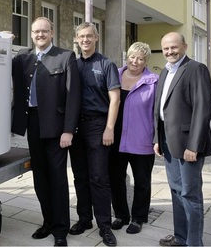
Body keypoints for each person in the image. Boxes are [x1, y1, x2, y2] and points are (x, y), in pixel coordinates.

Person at [11, 17, 81, 247]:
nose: (39, 35)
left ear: (52, 33)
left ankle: (61, 229)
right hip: (33, 124)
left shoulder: (65, 56)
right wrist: (1, 40)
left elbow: (73, 97)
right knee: (39, 178)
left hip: (57, 128)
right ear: (31, 34)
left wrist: (68, 130)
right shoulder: (23, 58)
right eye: (35, 32)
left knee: (58, 179)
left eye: (44, 31)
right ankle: (48, 221)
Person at [153, 32, 211, 246]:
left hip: (189, 145)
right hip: (168, 143)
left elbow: (203, 109)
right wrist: (157, 139)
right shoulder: (165, 72)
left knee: (190, 194)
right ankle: (180, 237)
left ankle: (194, 243)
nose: (170, 52)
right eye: (166, 49)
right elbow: (159, 110)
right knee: (176, 191)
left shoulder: (196, 69)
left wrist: (194, 145)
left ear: (185, 46)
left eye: (174, 47)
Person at [69, 22, 120, 247]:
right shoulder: (73, 64)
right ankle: (84, 219)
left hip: (98, 126)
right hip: (75, 126)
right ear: (77, 39)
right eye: (82, 36)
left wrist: (109, 128)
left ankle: (105, 226)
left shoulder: (106, 64)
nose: (85, 40)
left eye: (89, 36)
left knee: (99, 178)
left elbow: (115, 99)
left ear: (96, 38)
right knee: (80, 176)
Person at [108, 42, 158, 235]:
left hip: (142, 140)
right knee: (115, 179)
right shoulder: (115, 75)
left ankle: (138, 218)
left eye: (140, 58)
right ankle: (121, 214)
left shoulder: (153, 81)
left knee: (142, 181)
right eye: (132, 57)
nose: (135, 61)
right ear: (126, 57)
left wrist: (157, 139)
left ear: (146, 61)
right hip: (115, 139)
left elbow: (157, 113)